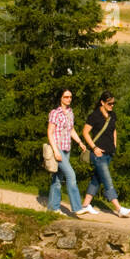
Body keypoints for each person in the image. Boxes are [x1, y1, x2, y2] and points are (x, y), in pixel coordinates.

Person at [77, 91, 130, 217]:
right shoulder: (94, 116)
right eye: (109, 103)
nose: (112, 105)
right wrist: (94, 147)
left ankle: (85, 205)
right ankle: (119, 209)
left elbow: (114, 130)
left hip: (109, 153)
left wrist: (115, 145)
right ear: (102, 102)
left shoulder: (113, 115)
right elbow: (85, 132)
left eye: (113, 103)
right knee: (107, 180)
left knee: (97, 179)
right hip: (98, 154)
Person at [46, 88, 85, 216]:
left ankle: (53, 208)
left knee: (57, 178)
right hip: (57, 148)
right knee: (71, 175)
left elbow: (71, 130)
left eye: (70, 97)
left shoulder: (70, 112)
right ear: (60, 98)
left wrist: (80, 142)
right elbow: (50, 132)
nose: (69, 99)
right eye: (66, 97)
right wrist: (55, 151)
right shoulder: (55, 113)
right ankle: (77, 207)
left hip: (67, 148)